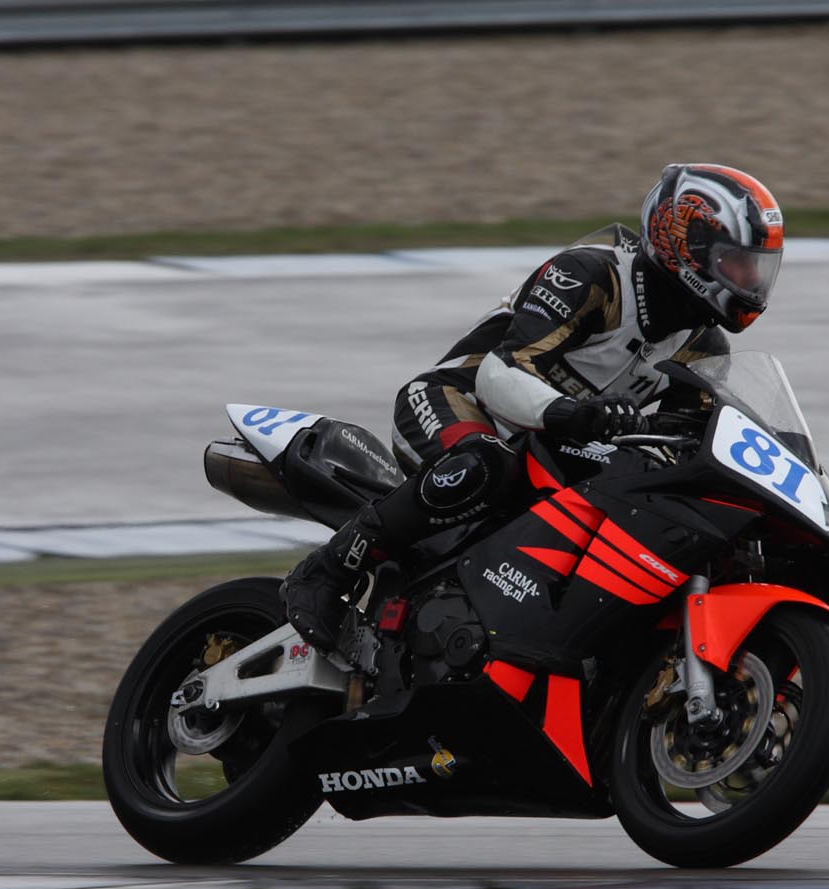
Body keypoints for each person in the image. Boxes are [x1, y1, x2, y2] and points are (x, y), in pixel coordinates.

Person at [280, 163, 786, 650]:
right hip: (457, 401)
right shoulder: (593, 275)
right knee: (483, 466)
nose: (749, 279)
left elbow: (693, 437)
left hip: (552, 446)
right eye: (736, 261)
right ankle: (327, 569)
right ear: (685, 247)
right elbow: (499, 374)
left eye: (756, 266)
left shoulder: (704, 347)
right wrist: (574, 414)